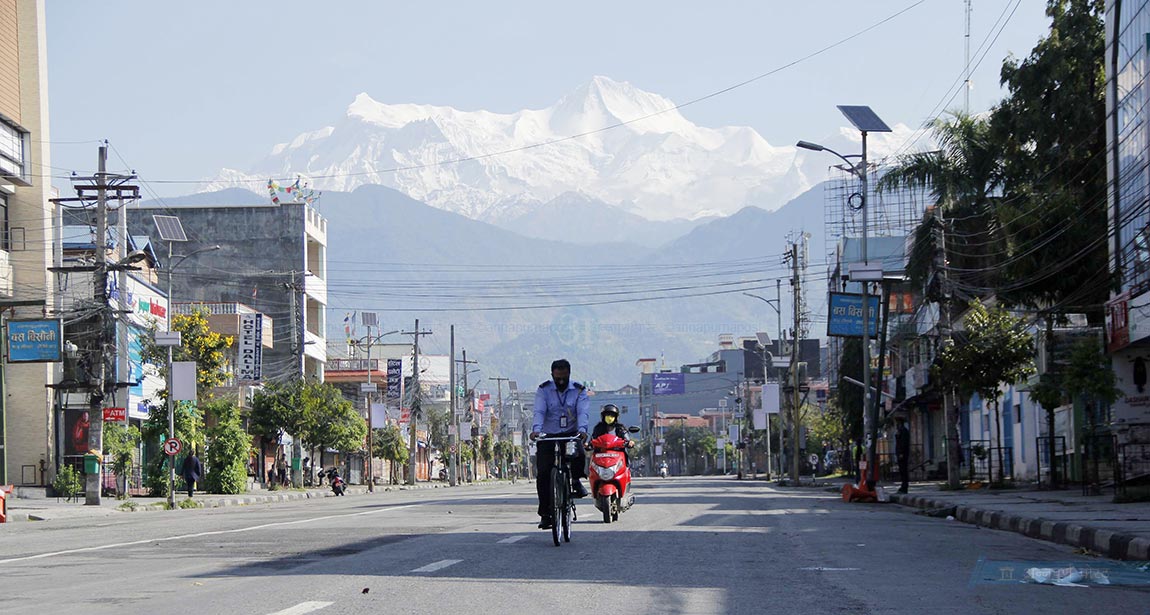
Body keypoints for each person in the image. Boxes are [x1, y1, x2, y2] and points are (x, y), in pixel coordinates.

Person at [530, 359, 590, 530]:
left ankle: (576, 480)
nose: (561, 381)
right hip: (548, 435)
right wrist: (536, 430)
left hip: (570, 434)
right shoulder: (544, 390)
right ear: (552, 375)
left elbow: (583, 412)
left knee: (579, 454)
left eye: (564, 377)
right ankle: (546, 514)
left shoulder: (579, 390)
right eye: (558, 378)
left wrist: (582, 430)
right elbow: (539, 411)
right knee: (543, 473)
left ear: (569, 374)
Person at [895, 417, 911, 494]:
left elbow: (903, 443)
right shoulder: (900, 431)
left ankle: (904, 487)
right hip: (899, 453)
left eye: (897, 423)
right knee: (902, 471)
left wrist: (901, 453)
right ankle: (903, 486)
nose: (896, 425)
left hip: (903, 454)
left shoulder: (904, 431)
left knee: (903, 470)